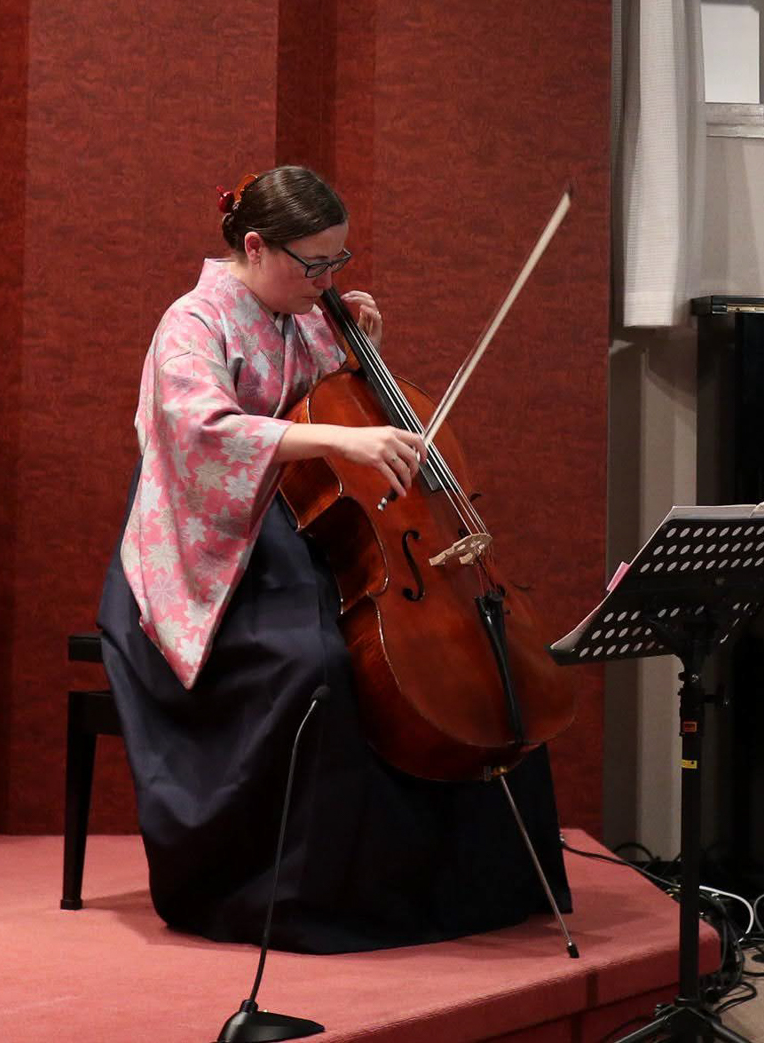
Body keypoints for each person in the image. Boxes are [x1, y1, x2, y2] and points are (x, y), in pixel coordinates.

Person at [95, 165, 570, 954]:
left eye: (338, 264)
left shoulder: (316, 315)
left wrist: (362, 356)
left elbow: (340, 409)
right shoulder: (193, 322)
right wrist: (341, 437)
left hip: (300, 537)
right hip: (208, 546)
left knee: (484, 655)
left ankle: (462, 883)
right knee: (317, 666)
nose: (328, 282)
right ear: (255, 245)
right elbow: (200, 431)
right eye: (314, 265)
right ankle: (297, 898)